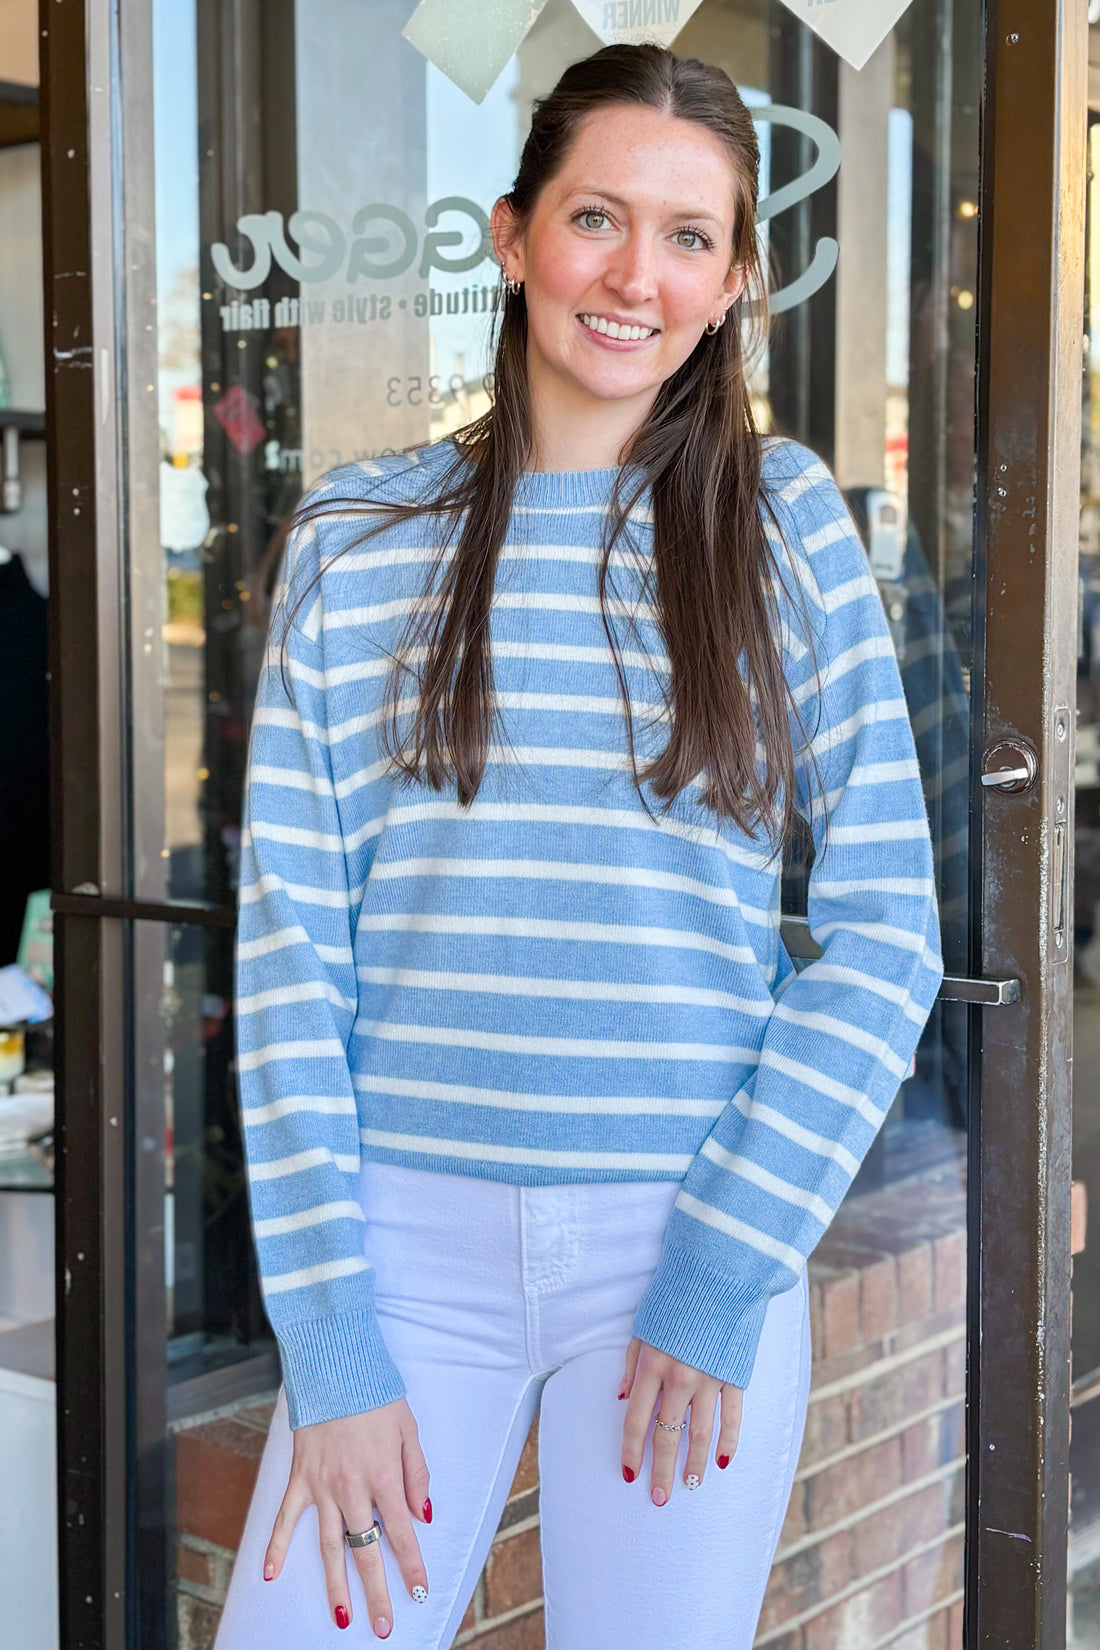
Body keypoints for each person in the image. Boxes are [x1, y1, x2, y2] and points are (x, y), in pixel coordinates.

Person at [214, 43, 944, 1650]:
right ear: (514, 233)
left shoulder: (785, 528)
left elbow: (889, 930)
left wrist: (727, 1261)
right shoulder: (359, 538)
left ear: (738, 278)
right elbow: (288, 954)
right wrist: (330, 1341)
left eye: (690, 237)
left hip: (681, 1244)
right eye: (597, 217)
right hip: (403, 1253)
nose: (636, 275)